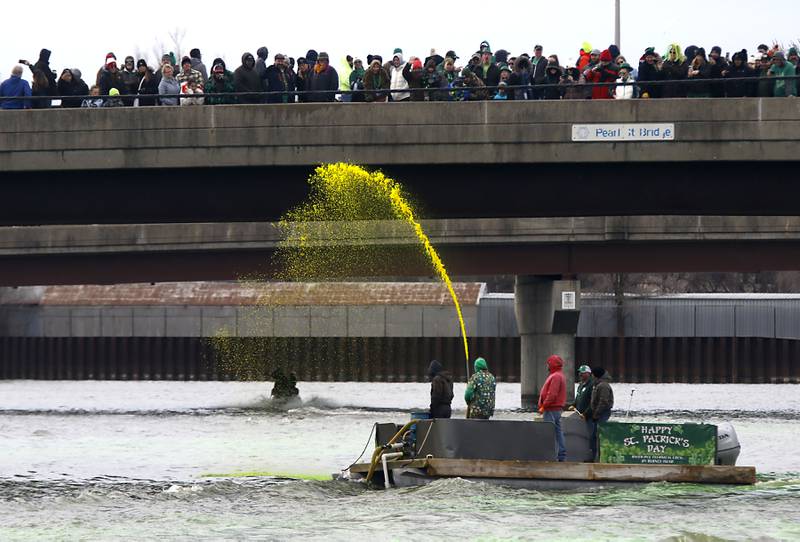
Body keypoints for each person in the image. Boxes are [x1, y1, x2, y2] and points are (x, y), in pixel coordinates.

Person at [538, 355, 567, 462]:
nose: (547, 365)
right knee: (558, 432)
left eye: (548, 363)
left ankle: (551, 456)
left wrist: (543, 406)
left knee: (550, 433)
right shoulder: (559, 375)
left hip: (551, 409)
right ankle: (561, 455)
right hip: (556, 409)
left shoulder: (555, 376)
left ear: (552, 364)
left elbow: (552, 394)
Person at [589, 366, 614, 460]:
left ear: (595, 375)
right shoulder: (598, 384)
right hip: (599, 413)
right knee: (594, 436)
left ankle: (598, 458)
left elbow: (603, 401)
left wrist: (596, 414)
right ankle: (595, 457)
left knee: (598, 436)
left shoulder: (603, 385)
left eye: (592, 374)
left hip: (602, 414)